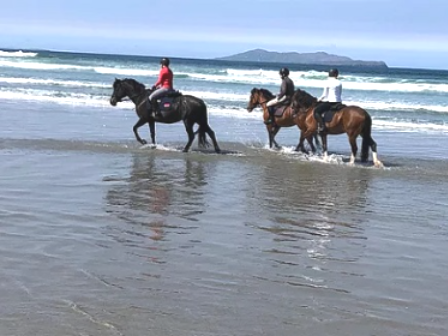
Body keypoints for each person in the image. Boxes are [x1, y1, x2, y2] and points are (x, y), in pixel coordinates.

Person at [314, 68, 342, 133]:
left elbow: (324, 95)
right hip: (338, 102)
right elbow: (339, 93)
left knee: (316, 112)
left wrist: (318, 100)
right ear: (336, 74)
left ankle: (322, 126)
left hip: (330, 102)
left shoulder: (327, 82)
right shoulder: (339, 82)